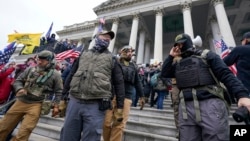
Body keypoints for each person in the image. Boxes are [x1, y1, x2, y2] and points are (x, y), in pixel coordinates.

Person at [161, 33, 250, 141]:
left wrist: (242, 95)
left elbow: (225, 74)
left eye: (181, 44)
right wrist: (171, 56)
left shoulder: (207, 55)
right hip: (185, 108)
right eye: (177, 45)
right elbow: (164, 74)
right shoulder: (177, 63)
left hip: (210, 103)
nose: (179, 47)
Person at [59, 30, 125, 141]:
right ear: (96, 37)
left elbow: (119, 84)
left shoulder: (113, 59)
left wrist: (120, 108)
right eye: (104, 35)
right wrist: (62, 98)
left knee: (92, 137)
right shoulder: (82, 55)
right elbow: (71, 75)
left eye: (109, 38)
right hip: (75, 101)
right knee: (68, 135)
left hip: (97, 105)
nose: (107, 39)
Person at [0, 50, 63, 141]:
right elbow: (18, 80)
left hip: (36, 104)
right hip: (21, 100)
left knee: (25, 130)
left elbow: (59, 91)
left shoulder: (55, 75)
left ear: (50, 61)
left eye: (43, 60)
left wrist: (56, 105)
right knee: (4, 126)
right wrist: (20, 89)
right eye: (39, 59)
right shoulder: (30, 69)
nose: (39, 62)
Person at [103, 45, 145, 141]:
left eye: (131, 51)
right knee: (106, 123)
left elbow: (137, 82)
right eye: (127, 51)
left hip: (127, 97)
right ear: (121, 52)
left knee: (119, 124)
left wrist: (142, 96)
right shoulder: (114, 63)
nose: (130, 53)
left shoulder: (134, 66)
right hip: (112, 96)